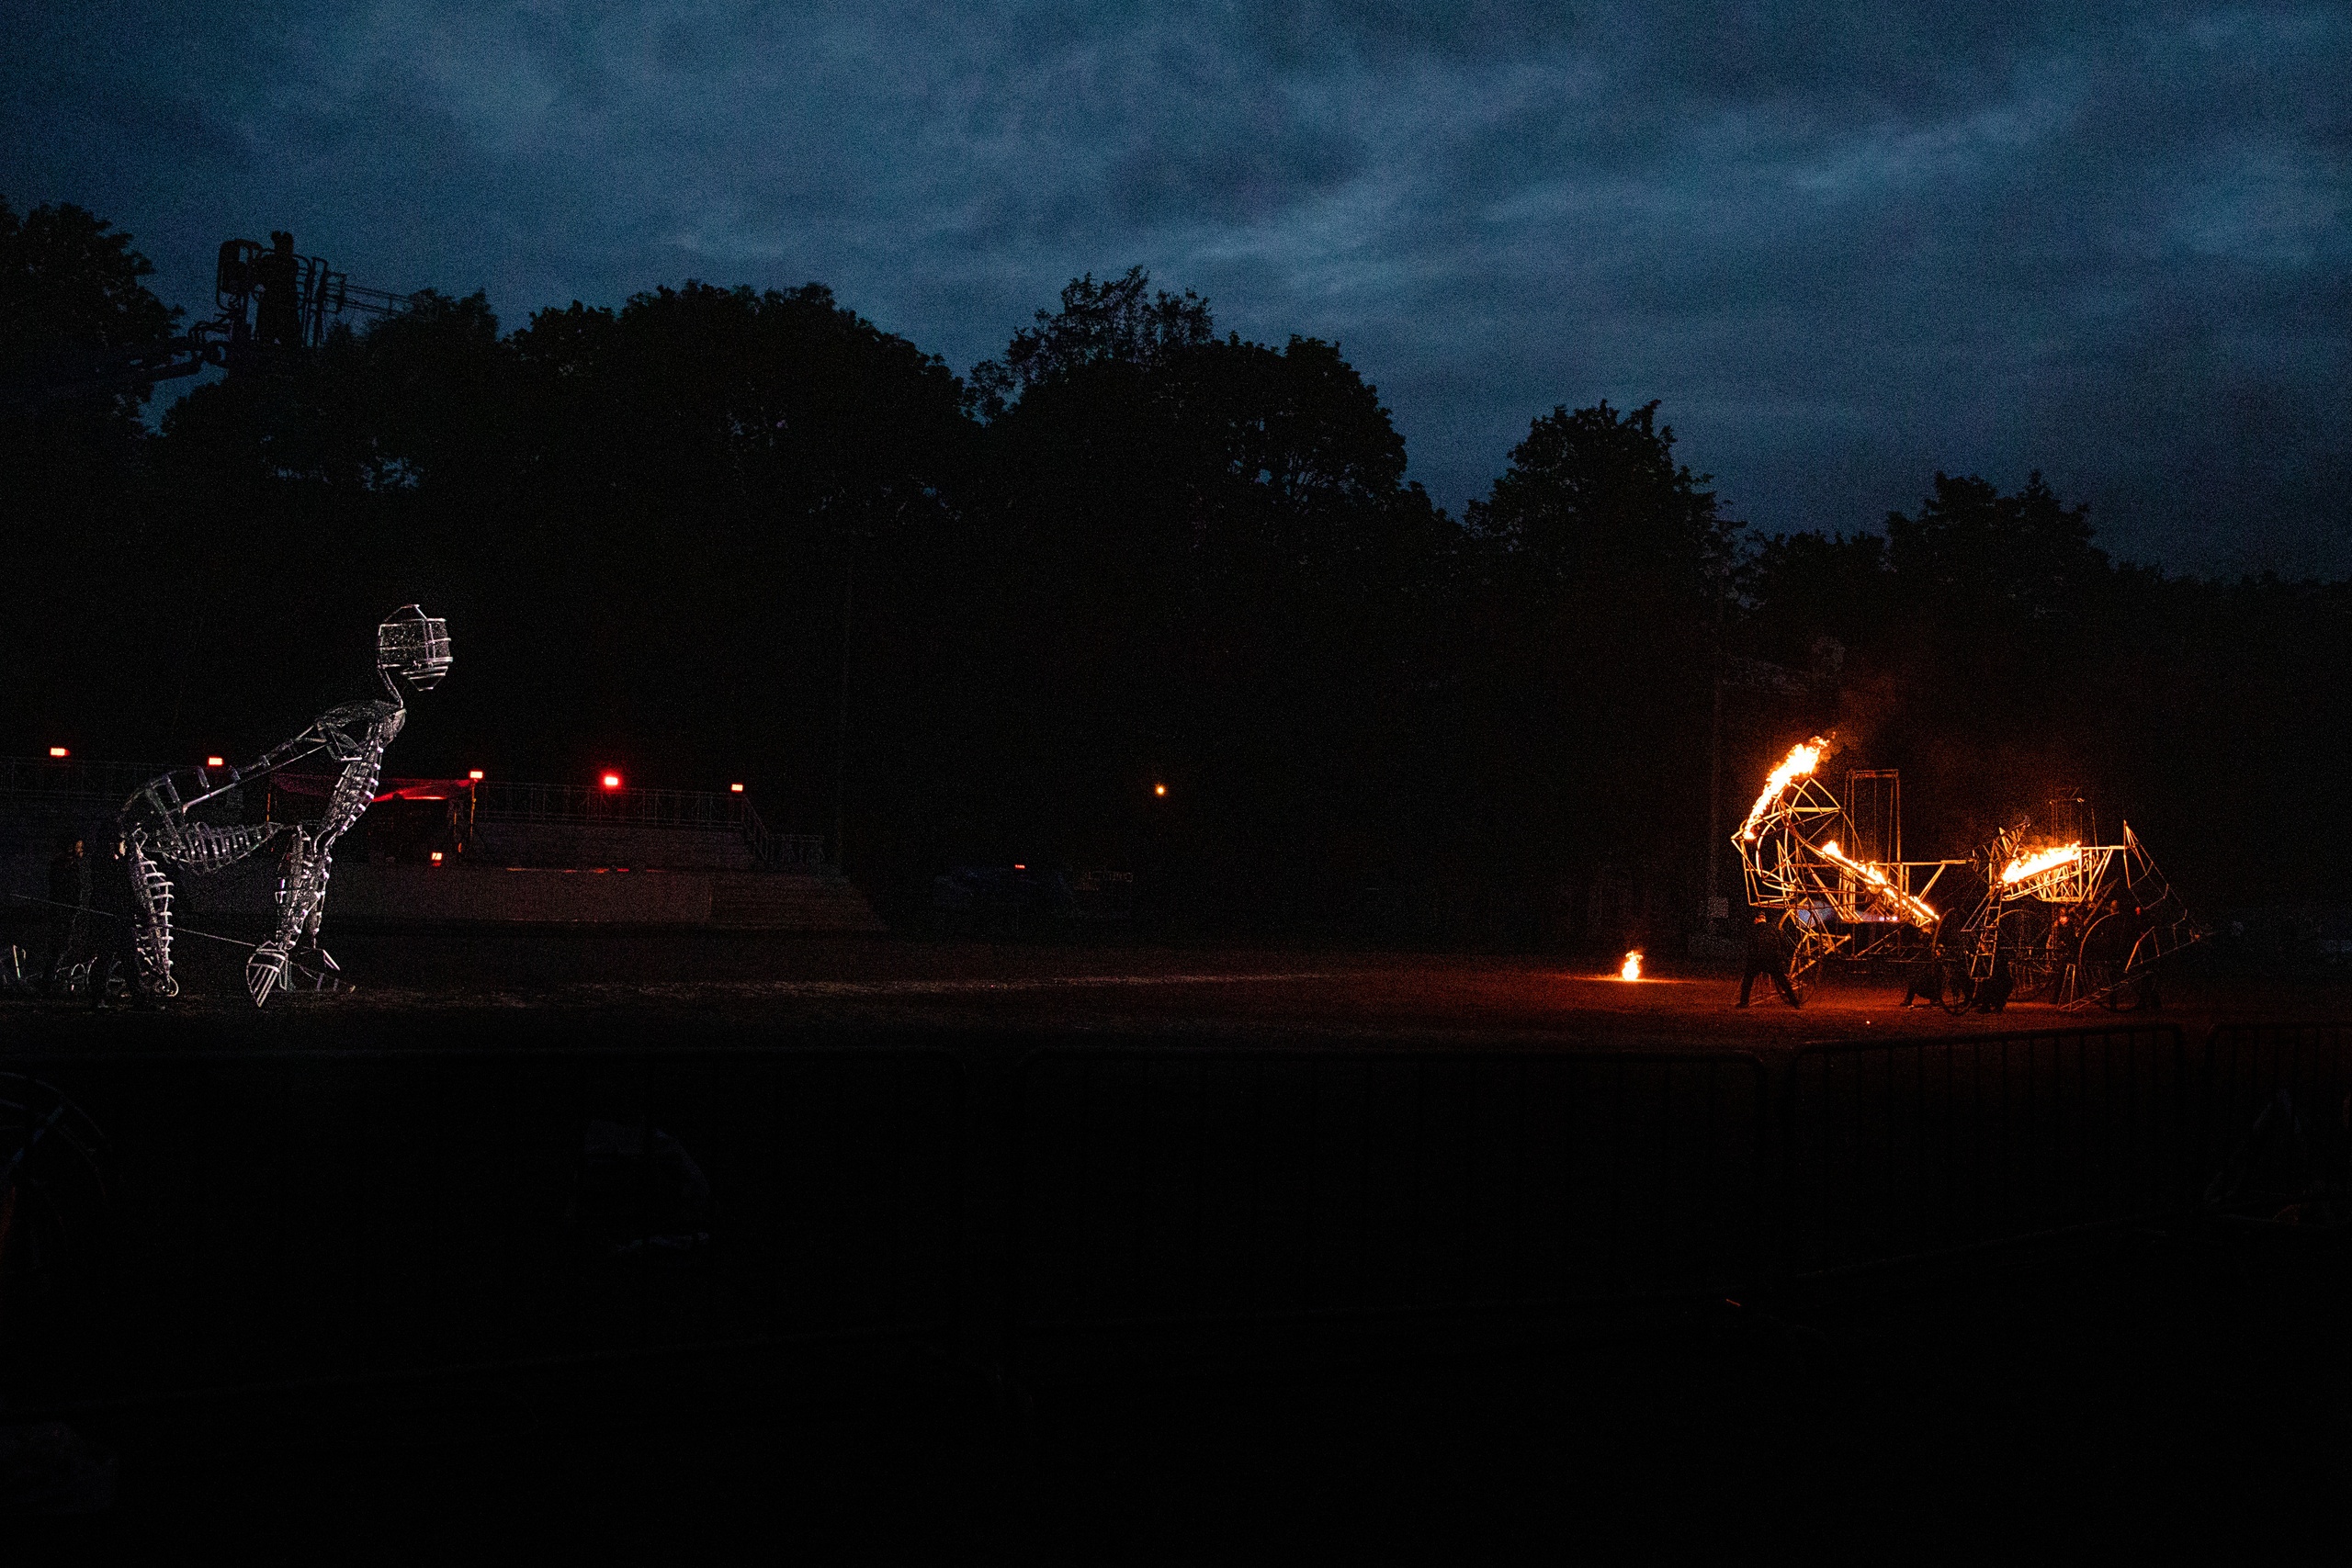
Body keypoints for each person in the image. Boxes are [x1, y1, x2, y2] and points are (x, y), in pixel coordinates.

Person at [40, 834, 87, 993]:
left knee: (63, 946)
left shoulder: (72, 865)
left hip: (69, 911)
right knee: (58, 946)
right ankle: (48, 981)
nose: (81, 850)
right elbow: (62, 889)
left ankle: (52, 979)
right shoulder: (63, 865)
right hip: (62, 911)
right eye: (78, 847)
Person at [1738, 912, 1800, 1008]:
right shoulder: (1774, 929)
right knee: (1783, 981)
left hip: (1757, 960)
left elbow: (1750, 946)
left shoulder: (1753, 930)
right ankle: (1795, 1002)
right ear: (1765, 920)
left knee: (1747, 980)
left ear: (1756, 920)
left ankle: (1744, 1002)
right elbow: (1784, 943)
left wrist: (1750, 961)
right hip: (1772, 960)